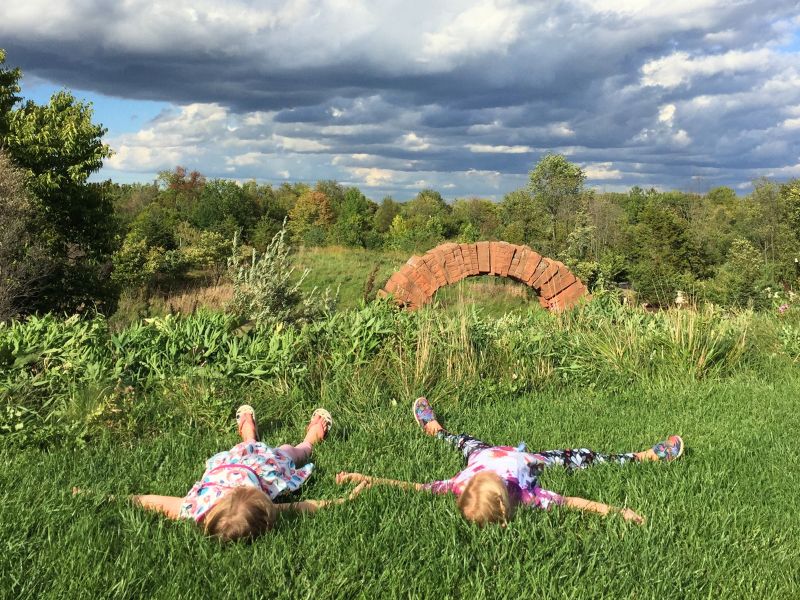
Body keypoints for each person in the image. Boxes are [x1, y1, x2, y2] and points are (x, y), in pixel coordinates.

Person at [337, 397, 684, 527]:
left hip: (482, 453)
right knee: (582, 456)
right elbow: (575, 503)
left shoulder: (459, 484)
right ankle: (644, 456)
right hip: (528, 461)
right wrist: (616, 510)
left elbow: (415, 487)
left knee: (459, 439)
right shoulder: (527, 494)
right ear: (508, 503)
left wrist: (369, 477)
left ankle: (433, 428)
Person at [132, 405, 366, 542]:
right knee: (289, 452)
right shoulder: (193, 509)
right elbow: (151, 501)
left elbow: (149, 501)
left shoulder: (194, 508)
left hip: (249, 464)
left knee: (277, 450)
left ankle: (251, 433)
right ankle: (307, 441)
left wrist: (116, 499)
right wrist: (344, 499)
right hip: (249, 464)